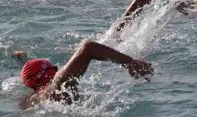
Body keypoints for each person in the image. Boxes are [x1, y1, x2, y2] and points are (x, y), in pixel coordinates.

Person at [19, 40, 153, 106]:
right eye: (54, 68)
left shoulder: (32, 100)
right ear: (48, 74)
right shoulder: (58, 84)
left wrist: (23, 59)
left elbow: (33, 75)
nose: (57, 69)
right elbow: (88, 48)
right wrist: (129, 62)